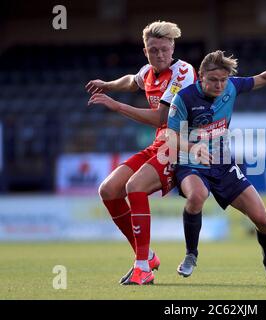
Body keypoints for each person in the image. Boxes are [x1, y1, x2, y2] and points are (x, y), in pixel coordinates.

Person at [166, 47, 266, 283]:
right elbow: (170, 137)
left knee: (263, 220)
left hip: (223, 164)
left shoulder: (232, 87)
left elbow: (263, 78)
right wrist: (193, 149)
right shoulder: (183, 98)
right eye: (213, 80)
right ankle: (191, 255)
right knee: (197, 196)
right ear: (201, 76)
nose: (219, 85)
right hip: (191, 162)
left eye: (223, 80)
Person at [86, 21, 196, 285]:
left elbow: (161, 117)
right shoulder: (148, 71)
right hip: (159, 144)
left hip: (180, 146)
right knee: (109, 190)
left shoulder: (182, 72)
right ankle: (145, 255)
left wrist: (116, 106)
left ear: (173, 49)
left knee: (135, 186)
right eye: (153, 50)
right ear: (145, 51)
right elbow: (131, 81)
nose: (159, 55)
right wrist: (108, 85)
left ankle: (142, 267)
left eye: (164, 49)